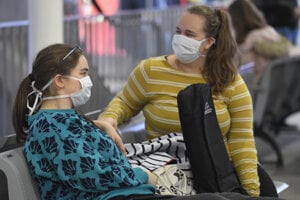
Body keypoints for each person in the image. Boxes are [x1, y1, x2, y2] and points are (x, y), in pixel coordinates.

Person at [11, 44, 281, 200]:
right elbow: (92, 174)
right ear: (59, 81)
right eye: (83, 73)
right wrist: (143, 175)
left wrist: (103, 129)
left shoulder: (66, 120)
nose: (88, 80)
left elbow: (93, 162)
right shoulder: (48, 128)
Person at [97, 5, 261, 197]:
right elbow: (124, 103)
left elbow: (242, 142)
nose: (180, 38)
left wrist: (251, 192)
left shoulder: (229, 81)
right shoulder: (151, 70)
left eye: (189, 34)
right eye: (178, 32)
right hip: (168, 172)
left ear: (209, 42)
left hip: (217, 175)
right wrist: (109, 118)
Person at [228, 0, 291, 88]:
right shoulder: (270, 32)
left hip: (254, 91)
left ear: (236, 20)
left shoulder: (249, 43)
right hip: (275, 92)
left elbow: (235, 71)